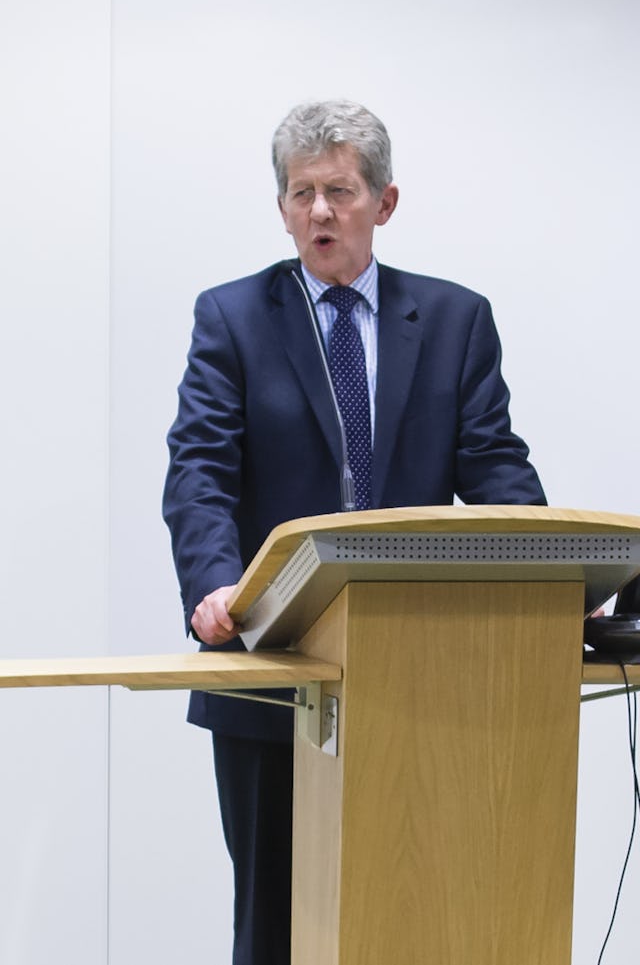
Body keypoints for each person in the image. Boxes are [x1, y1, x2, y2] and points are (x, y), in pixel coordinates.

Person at [162, 99, 546, 965]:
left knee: (416, 908)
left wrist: (559, 584)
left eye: (339, 190)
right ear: (283, 207)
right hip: (270, 671)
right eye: (301, 194)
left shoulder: (455, 321)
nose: (320, 212)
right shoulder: (232, 318)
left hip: (421, 678)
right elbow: (200, 472)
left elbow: (494, 471)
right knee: (275, 920)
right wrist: (214, 586)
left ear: (386, 201)